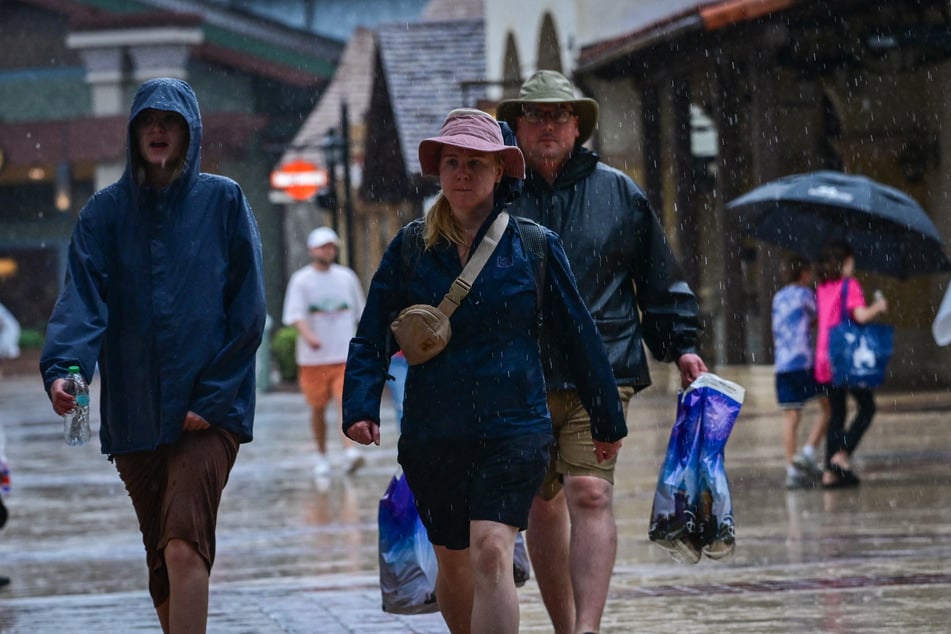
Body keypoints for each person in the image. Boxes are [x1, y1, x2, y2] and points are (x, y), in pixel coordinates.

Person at [342, 108, 627, 634]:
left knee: (493, 549)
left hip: (514, 426)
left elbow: (579, 336)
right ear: (439, 171)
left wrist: (607, 419)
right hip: (435, 432)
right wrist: (359, 404)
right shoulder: (411, 247)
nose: (463, 174)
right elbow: (372, 331)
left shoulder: (536, 246)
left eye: (476, 163)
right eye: (452, 163)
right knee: (454, 561)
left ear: (501, 172)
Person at [40, 77, 266, 633]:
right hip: (136, 413)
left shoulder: (225, 201)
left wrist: (213, 400)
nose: (158, 129)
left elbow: (249, 313)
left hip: (209, 415)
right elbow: (82, 305)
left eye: (170, 121)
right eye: (147, 121)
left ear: (191, 134)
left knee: (185, 545)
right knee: (162, 559)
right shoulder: (104, 214)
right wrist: (66, 373)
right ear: (133, 133)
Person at [496, 70, 707, 634]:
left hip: (604, 366)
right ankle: (565, 625)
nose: (547, 126)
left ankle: (586, 631)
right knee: (543, 502)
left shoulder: (619, 191)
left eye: (559, 116)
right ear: (517, 123)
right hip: (522, 370)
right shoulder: (496, 193)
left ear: (576, 127)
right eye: (536, 115)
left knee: (588, 490)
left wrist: (682, 345)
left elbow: (659, 278)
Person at [282, 226, 366, 477]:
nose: (327, 251)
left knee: (345, 401)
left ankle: (349, 450)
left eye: (331, 246)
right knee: (317, 408)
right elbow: (294, 315)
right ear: (311, 250)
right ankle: (321, 454)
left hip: (343, 354)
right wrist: (310, 338)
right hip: (313, 359)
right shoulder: (301, 280)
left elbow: (361, 312)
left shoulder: (346, 277)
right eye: (322, 247)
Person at [814, 240, 888, 488]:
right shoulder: (850, 285)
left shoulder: (823, 286)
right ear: (845, 263)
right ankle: (841, 455)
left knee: (837, 414)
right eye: (851, 261)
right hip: (845, 359)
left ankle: (829, 473)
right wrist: (878, 306)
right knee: (867, 407)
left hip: (824, 357)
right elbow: (859, 316)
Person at [771, 255, 830, 489]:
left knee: (791, 417)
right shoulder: (806, 295)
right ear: (803, 273)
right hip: (802, 363)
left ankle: (791, 469)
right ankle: (807, 451)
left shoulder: (778, 297)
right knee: (827, 408)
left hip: (782, 365)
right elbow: (821, 316)